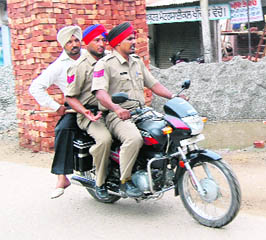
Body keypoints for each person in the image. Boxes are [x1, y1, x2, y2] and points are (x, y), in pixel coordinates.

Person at [92, 22, 188, 198]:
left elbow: (153, 84)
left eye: (134, 37)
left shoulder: (137, 62)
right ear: (118, 43)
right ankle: (125, 181)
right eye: (130, 39)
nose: (134, 41)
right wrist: (116, 108)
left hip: (141, 111)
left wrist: (174, 96)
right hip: (117, 115)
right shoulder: (104, 64)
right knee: (134, 138)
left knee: (170, 130)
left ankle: (162, 169)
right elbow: (100, 93)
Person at [29, 25, 84, 199]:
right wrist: (57, 107)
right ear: (63, 45)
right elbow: (35, 87)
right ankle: (62, 177)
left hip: (100, 104)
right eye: (69, 42)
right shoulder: (58, 66)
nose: (74, 44)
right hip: (75, 108)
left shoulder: (90, 57)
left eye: (76, 40)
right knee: (62, 130)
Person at [65, 24, 112, 200]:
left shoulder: (109, 60)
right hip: (90, 115)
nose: (101, 44)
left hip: (111, 111)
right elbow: (70, 97)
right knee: (104, 139)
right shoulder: (79, 67)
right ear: (87, 43)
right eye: (97, 40)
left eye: (104, 40)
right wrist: (85, 112)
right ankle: (99, 183)